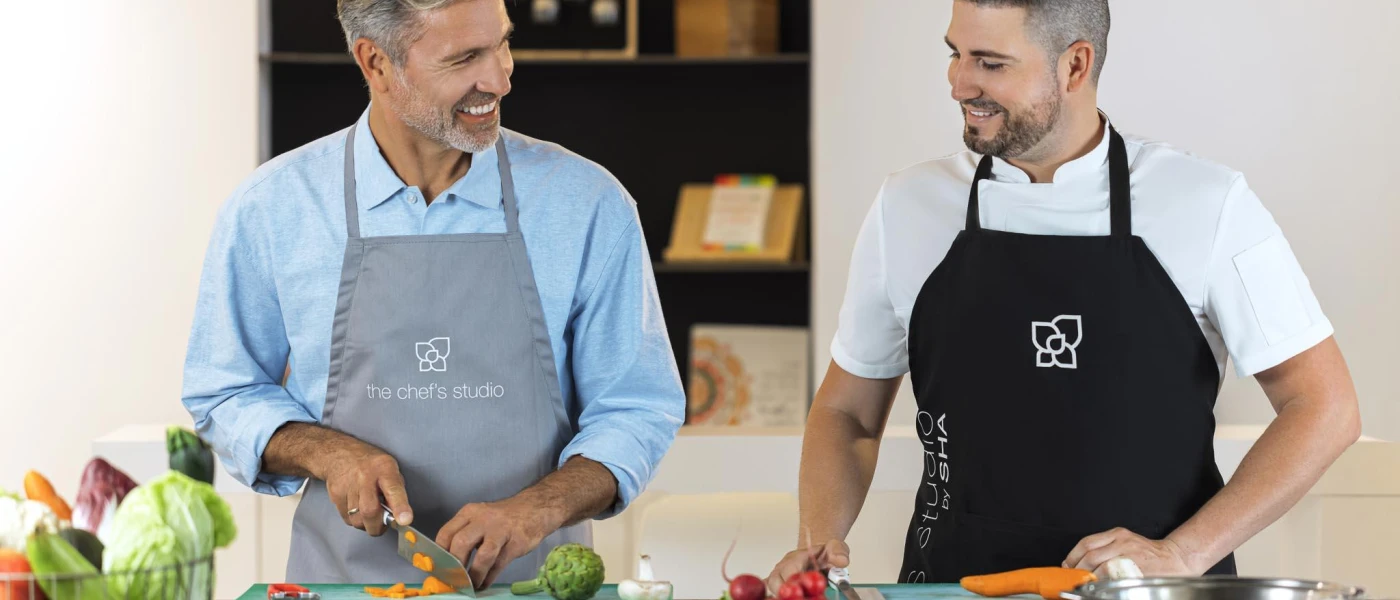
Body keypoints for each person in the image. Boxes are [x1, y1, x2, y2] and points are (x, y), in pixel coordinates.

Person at [768, 0, 1361, 586]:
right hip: (954, 584)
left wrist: (1184, 552)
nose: (958, 83)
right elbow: (847, 412)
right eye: (955, 54)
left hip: (1147, 594)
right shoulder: (908, 205)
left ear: (1076, 66)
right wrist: (816, 548)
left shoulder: (1208, 203)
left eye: (990, 62)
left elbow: (1324, 407)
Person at [181, 0, 685, 588]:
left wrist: (535, 512)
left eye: (501, 43)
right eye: (465, 57)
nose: (499, 78)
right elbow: (224, 392)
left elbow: (636, 406)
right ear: (375, 63)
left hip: (533, 585)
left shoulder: (586, 205)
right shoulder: (272, 209)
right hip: (342, 584)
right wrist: (326, 451)